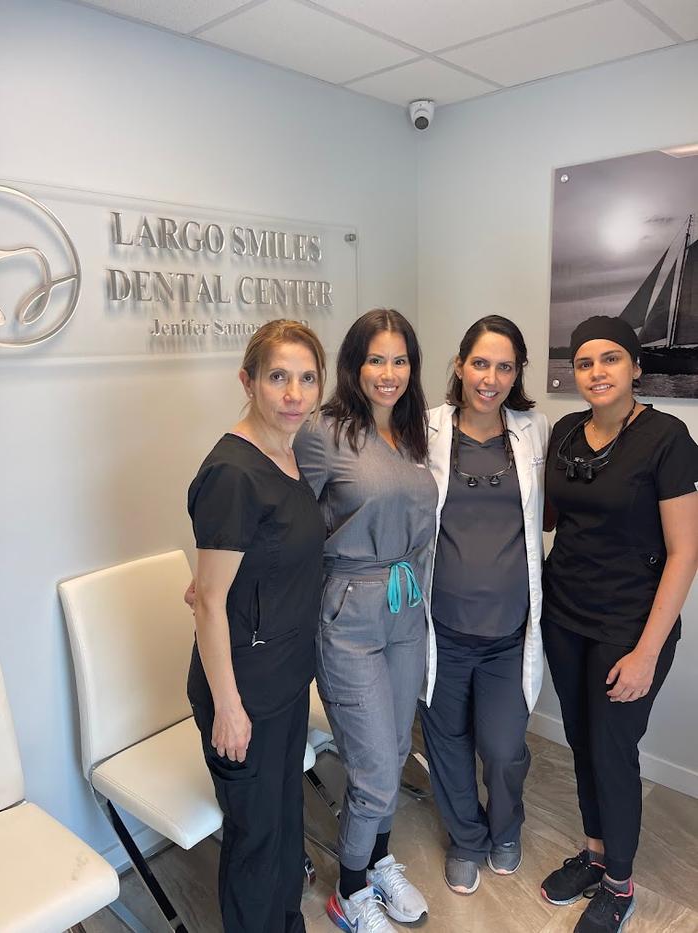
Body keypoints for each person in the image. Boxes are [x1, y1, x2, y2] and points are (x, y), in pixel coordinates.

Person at [540, 315, 698, 933]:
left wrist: (647, 652)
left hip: (630, 627)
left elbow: (685, 552)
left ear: (636, 367)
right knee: (582, 741)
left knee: (612, 750)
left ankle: (620, 884)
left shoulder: (667, 438)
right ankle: (596, 852)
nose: (597, 372)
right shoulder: (564, 432)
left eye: (610, 359)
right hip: (565, 614)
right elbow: (551, 516)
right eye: (584, 362)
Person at [293, 309, 437, 933]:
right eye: (376, 359)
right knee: (376, 767)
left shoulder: (412, 433)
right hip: (349, 613)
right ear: (353, 365)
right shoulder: (323, 432)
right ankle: (348, 892)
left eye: (400, 360)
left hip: (407, 607)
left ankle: (378, 862)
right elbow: (291, 525)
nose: (388, 373)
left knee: (398, 748)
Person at [186, 320, 327, 933]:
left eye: (306, 378)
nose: (293, 393)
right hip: (243, 690)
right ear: (248, 381)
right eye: (277, 377)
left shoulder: (286, 453)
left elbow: (229, 574)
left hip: (285, 678)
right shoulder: (233, 473)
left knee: (284, 822)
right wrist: (228, 707)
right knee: (255, 840)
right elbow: (208, 603)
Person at [418, 315, 549, 896]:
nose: (490, 378)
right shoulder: (426, 430)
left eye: (504, 366)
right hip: (441, 629)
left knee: (502, 748)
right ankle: (466, 840)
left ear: (517, 372)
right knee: (446, 743)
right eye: (480, 363)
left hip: (507, 634)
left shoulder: (534, 430)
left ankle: (505, 827)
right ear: (459, 365)